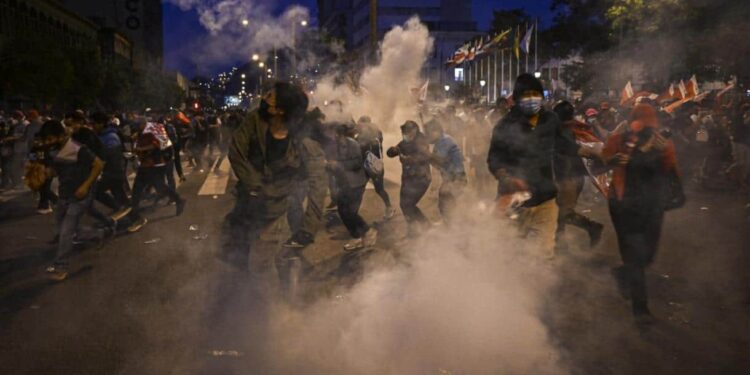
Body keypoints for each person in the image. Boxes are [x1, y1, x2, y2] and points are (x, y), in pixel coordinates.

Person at [487, 74, 598, 259]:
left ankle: (537, 285)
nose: (531, 99)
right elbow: (494, 159)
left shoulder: (550, 119)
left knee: (543, 255)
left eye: (535, 94)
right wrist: (506, 177)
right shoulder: (504, 126)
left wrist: (594, 153)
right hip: (514, 201)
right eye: (526, 95)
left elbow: (566, 144)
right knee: (511, 254)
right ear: (516, 98)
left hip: (546, 199)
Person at [221, 82, 327, 269]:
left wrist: (308, 229)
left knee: (262, 264)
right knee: (237, 243)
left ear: (280, 110)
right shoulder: (254, 119)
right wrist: (254, 185)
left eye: (270, 96)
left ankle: (269, 292)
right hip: (249, 197)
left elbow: (318, 184)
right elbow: (236, 151)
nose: (264, 98)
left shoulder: (305, 138)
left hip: (279, 204)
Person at [602, 103, 684, 324]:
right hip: (623, 204)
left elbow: (672, 170)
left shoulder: (662, 143)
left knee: (647, 255)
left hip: (652, 205)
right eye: (642, 122)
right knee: (636, 256)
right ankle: (641, 309)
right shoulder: (619, 141)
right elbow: (602, 163)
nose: (646, 127)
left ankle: (623, 274)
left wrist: (677, 192)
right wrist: (615, 159)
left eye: (649, 123)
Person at [37, 120, 104, 281]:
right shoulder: (53, 150)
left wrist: (85, 186)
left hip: (81, 195)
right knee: (63, 230)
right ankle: (97, 234)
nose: (47, 143)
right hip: (64, 194)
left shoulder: (78, 148)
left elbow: (98, 165)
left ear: (60, 136)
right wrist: (45, 173)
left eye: (50, 139)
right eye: (45, 140)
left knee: (66, 231)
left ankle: (61, 267)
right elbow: (55, 170)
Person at [552, 101, 604, 249]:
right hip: (571, 176)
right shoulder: (575, 129)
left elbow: (568, 155)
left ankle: (591, 227)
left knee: (562, 213)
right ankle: (559, 245)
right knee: (559, 211)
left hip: (569, 177)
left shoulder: (565, 131)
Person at [126, 119, 187, 232]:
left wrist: (140, 149)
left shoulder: (151, 132)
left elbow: (156, 145)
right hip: (145, 165)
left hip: (154, 165)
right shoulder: (142, 133)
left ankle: (135, 216)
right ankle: (178, 199)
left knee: (147, 189)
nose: (136, 128)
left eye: (138, 126)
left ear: (143, 124)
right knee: (146, 189)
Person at [329, 123, 378, 251]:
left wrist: (338, 164)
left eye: (334, 134)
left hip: (356, 183)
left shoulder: (352, 144)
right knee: (342, 211)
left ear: (340, 135)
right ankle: (356, 236)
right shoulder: (334, 146)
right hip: (344, 184)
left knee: (350, 212)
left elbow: (356, 163)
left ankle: (368, 231)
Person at [387, 120, 432, 237]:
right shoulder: (405, 142)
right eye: (404, 132)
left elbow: (424, 157)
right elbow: (390, 153)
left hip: (421, 178)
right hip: (407, 178)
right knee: (404, 204)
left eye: (408, 132)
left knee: (408, 204)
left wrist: (408, 159)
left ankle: (423, 225)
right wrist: (393, 150)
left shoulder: (421, 141)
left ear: (415, 130)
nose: (406, 134)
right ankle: (415, 227)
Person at [424, 119, 466, 225]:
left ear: (436, 131)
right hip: (450, 178)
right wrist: (427, 155)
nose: (426, 136)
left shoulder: (445, 140)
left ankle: (453, 227)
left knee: (446, 204)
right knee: (446, 204)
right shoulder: (438, 143)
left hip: (456, 177)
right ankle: (451, 225)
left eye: (428, 133)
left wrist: (427, 153)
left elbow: (441, 160)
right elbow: (437, 164)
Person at [355, 116, 395, 219]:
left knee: (363, 188)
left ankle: (389, 207)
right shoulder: (377, 134)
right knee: (376, 188)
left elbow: (360, 147)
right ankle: (389, 207)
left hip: (369, 165)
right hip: (375, 165)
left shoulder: (364, 137)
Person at [91, 112, 130, 218]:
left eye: (94, 124)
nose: (92, 126)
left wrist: (102, 172)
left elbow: (111, 157)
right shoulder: (101, 136)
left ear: (102, 124)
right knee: (121, 199)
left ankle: (132, 217)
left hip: (113, 173)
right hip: (111, 173)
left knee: (97, 191)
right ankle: (130, 216)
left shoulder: (111, 137)